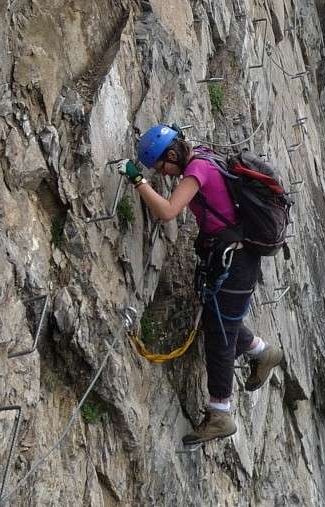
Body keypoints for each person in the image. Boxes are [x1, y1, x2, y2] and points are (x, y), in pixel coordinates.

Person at [117, 124, 284, 446]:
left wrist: (137, 180)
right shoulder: (204, 156)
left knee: (220, 336)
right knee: (219, 320)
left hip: (236, 262)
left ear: (172, 154)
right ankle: (263, 353)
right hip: (233, 255)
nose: (162, 174)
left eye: (161, 166)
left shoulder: (196, 170)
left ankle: (220, 413)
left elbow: (168, 211)